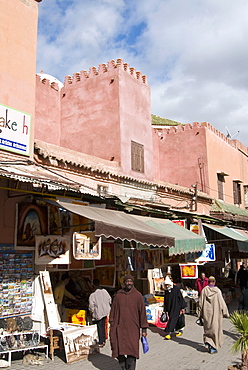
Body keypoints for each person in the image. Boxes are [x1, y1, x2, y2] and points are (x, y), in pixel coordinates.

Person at [109, 274, 148, 370]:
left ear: (133, 282)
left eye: (130, 281)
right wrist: (112, 322)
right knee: (118, 349)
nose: (129, 283)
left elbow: (142, 313)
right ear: (124, 283)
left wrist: (144, 329)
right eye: (127, 281)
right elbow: (113, 310)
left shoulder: (138, 296)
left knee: (132, 352)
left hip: (133, 328)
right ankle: (123, 365)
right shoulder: (118, 295)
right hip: (119, 327)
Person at [198, 276, 229, 354]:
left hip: (206, 314)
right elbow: (222, 303)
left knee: (207, 329)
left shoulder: (204, 290)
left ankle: (208, 342)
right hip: (216, 314)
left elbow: (200, 303)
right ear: (214, 282)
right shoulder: (217, 291)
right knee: (215, 330)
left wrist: (199, 314)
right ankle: (213, 346)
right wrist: (226, 313)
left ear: (208, 282)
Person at [88, 278, 112, 347]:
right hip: (105, 311)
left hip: (98, 313)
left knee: (100, 327)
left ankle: (101, 341)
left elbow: (91, 306)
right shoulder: (104, 291)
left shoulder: (93, 294)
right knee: (104, 325)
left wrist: (91, 312)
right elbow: (110, 300)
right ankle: (104, 339)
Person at [163, 276, 186, 340]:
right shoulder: (166, 291)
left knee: (172, 320)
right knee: (175, 319)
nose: (167, 286)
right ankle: (180, 330)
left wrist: (182, 307)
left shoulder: (176, 289)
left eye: (168, 284)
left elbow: (180, 298)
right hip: (170, 308)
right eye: (166, 285)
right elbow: (165, 301)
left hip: (176, 307)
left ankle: (169, 332)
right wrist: (165, 309)